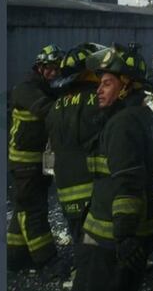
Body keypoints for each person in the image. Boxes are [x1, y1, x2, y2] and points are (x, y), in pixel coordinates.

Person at [74, 48, 153, 291]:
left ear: (126, 87)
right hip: (137, 229)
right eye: (99, 84)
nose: (98, 90)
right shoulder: (143, 115)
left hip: (109, 239)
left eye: (107, 83)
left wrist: (123, 236)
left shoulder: (122, 123)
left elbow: (128, 181)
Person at [45, 43, 108, 274]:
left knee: (79, 238)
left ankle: (83, 271)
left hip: (65, 189)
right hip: (92, 188)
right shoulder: (96, 100)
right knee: (97, 244)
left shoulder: (56, 106)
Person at [7, 44, 63, 273]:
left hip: (37, 161)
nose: (53, 73)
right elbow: (47, 110)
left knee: (23, 207)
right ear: (39, 67)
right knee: (33, 210)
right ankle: (47, 260)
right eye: (49, 68)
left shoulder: (47, 88)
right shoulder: (26, 89)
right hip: (25, 162)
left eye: (57, 69)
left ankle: (15, 257)